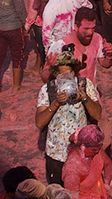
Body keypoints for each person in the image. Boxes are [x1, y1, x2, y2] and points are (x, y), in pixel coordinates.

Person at [35, 50, 101, 185]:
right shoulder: (47, 90)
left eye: (69, 73)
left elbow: (97, 114)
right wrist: (56, 103)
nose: (66, 77)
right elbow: (39, 122)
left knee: (82, 190)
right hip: (56, 153)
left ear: (74, 72)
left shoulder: (85, 85)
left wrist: (84, 98)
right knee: (58, 191)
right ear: (56, 74)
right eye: (61, 73)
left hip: (81, 152)